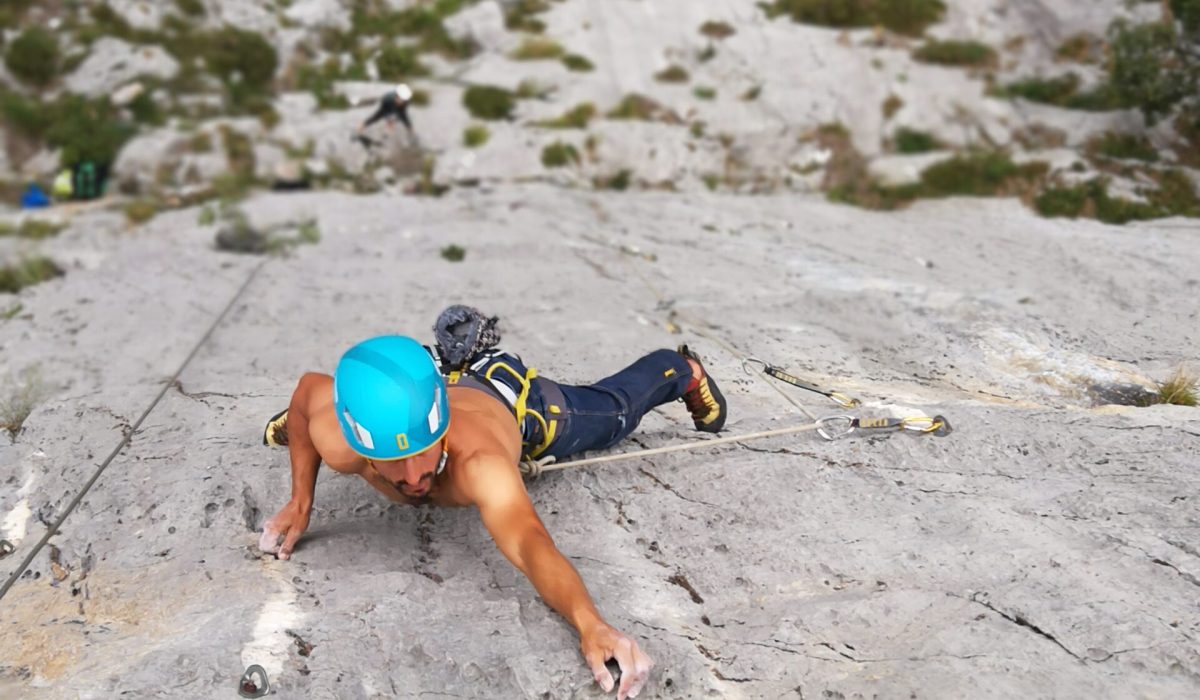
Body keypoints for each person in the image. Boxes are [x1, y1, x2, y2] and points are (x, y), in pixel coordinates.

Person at [258, 318, 727, 700]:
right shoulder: (342, 442)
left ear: (439, 427)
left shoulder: (479, 465)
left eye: (423, 451)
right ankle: (455, 354)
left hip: (515, 403)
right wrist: (301, 502)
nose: (414, 476)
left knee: (615, 411)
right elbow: (306, 395)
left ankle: (681, 369)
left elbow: (528, 541)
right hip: (434, 388)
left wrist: (591, 624)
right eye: (392, 462)